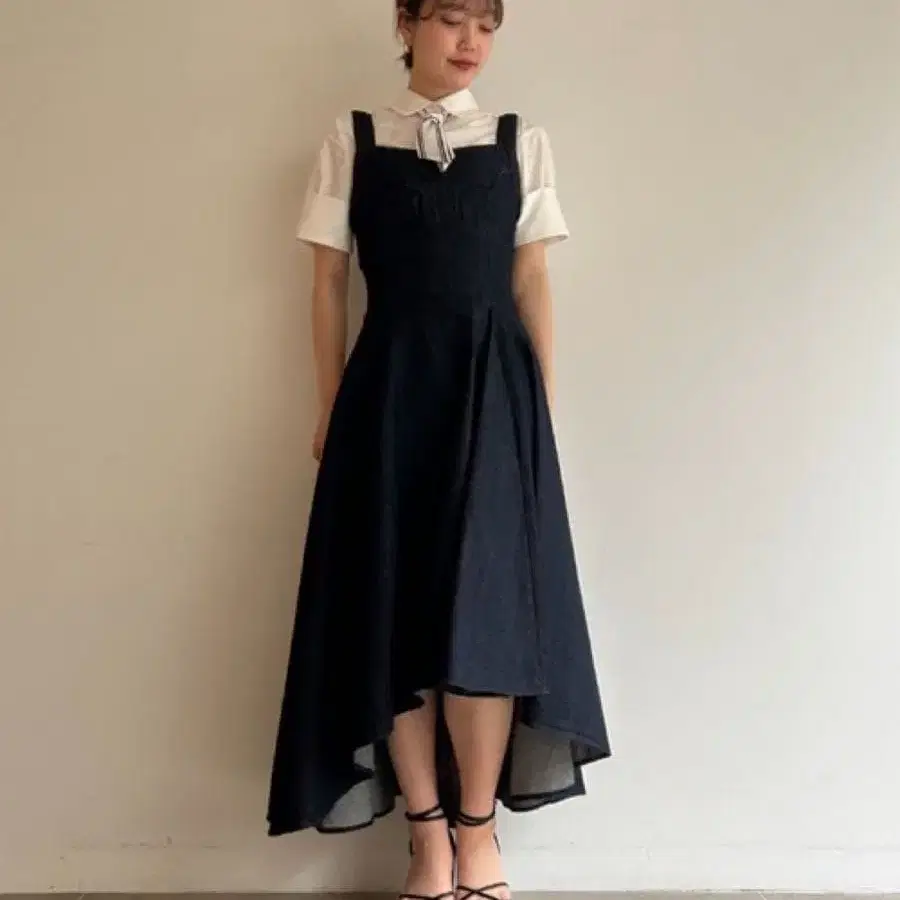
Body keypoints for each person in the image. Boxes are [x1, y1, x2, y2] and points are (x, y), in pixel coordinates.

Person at [267, 2, 612, 898]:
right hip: (388, 397)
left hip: (492, 399)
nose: (469, 43)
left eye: (485, 26)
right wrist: (330, 406)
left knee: (486, 616)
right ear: (407, 23)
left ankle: (479, 834)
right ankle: (427, 841)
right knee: (396, 613)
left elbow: (531, 278)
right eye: (452, 19)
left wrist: (537, 411)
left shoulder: (518, 141)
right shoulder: (351, 140)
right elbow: (327, 282)